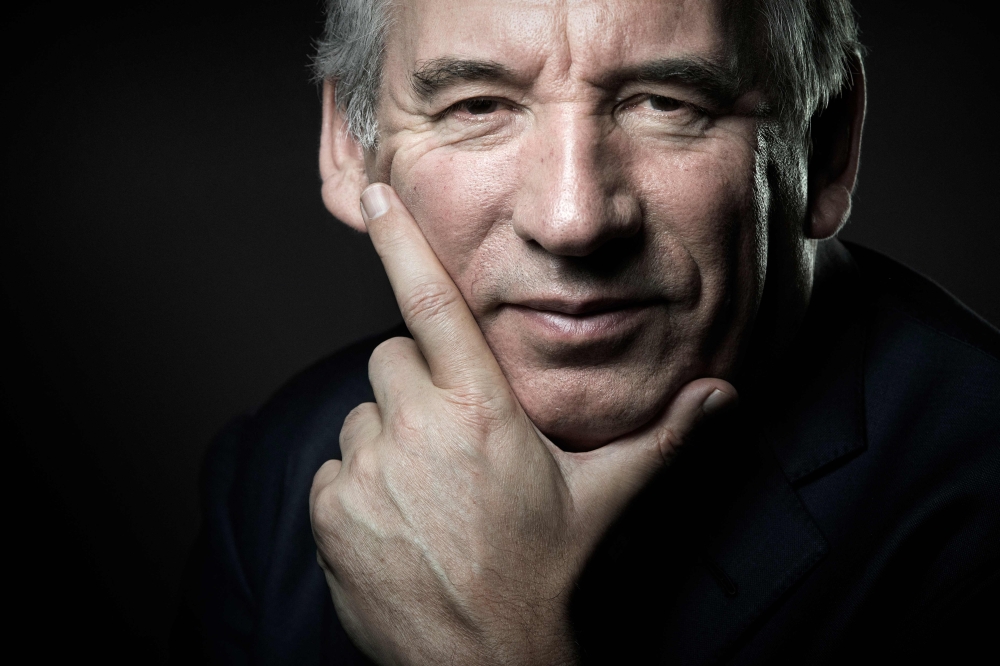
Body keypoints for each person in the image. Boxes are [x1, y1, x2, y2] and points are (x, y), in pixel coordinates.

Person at [174, 0, 1000, 663]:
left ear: (826, 143)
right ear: (353, 149)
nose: (571, 220)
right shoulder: (277, 477)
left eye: (667, 103)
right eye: (477, 106)